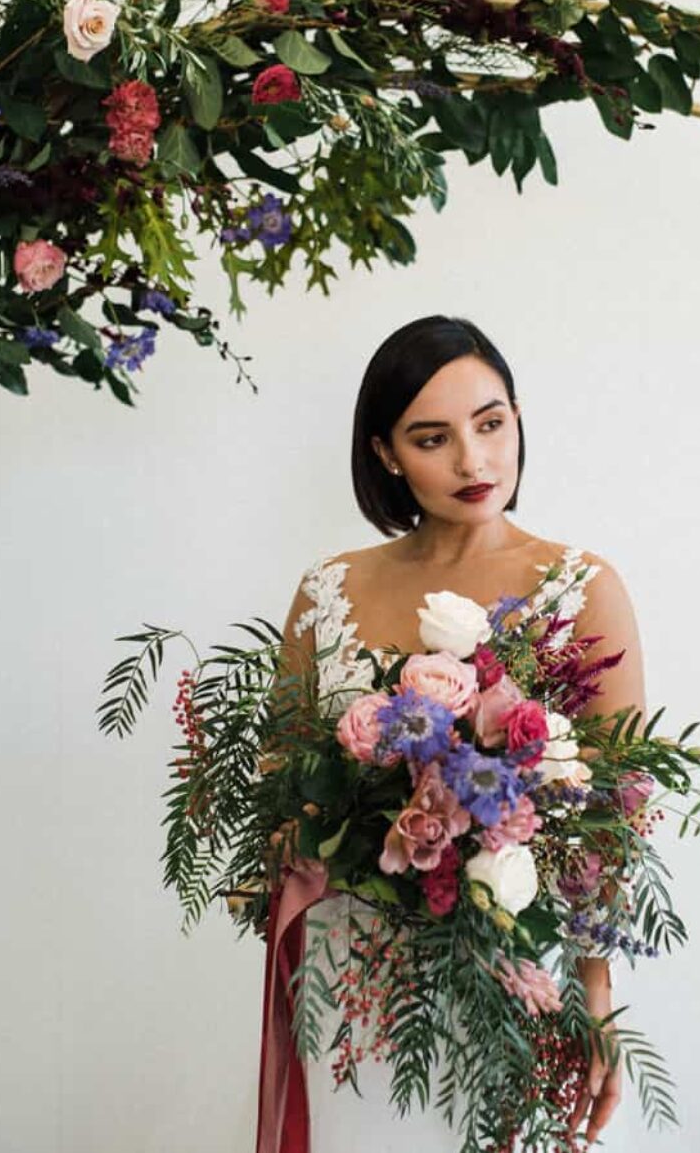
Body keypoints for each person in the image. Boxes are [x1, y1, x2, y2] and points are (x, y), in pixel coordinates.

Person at [270, 314, 648, 1150]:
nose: (474, 462)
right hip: (353, 977)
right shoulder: (328, 589)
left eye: (491, 423)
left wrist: (596, 1002)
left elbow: (609, 820)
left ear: (517, 417)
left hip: (508, 966)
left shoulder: (582, 587)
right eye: (433, 438)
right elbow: (281, 786)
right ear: (385, 454)